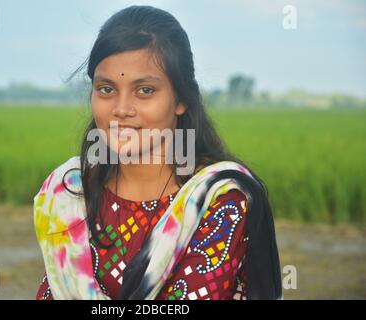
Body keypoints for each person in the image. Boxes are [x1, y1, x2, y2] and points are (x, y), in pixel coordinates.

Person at [34, 5, 282, 300]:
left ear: (181, 99)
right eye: (106, 89)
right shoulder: (69, 193)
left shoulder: (220, 201)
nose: (121, 109)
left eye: (145, 91)